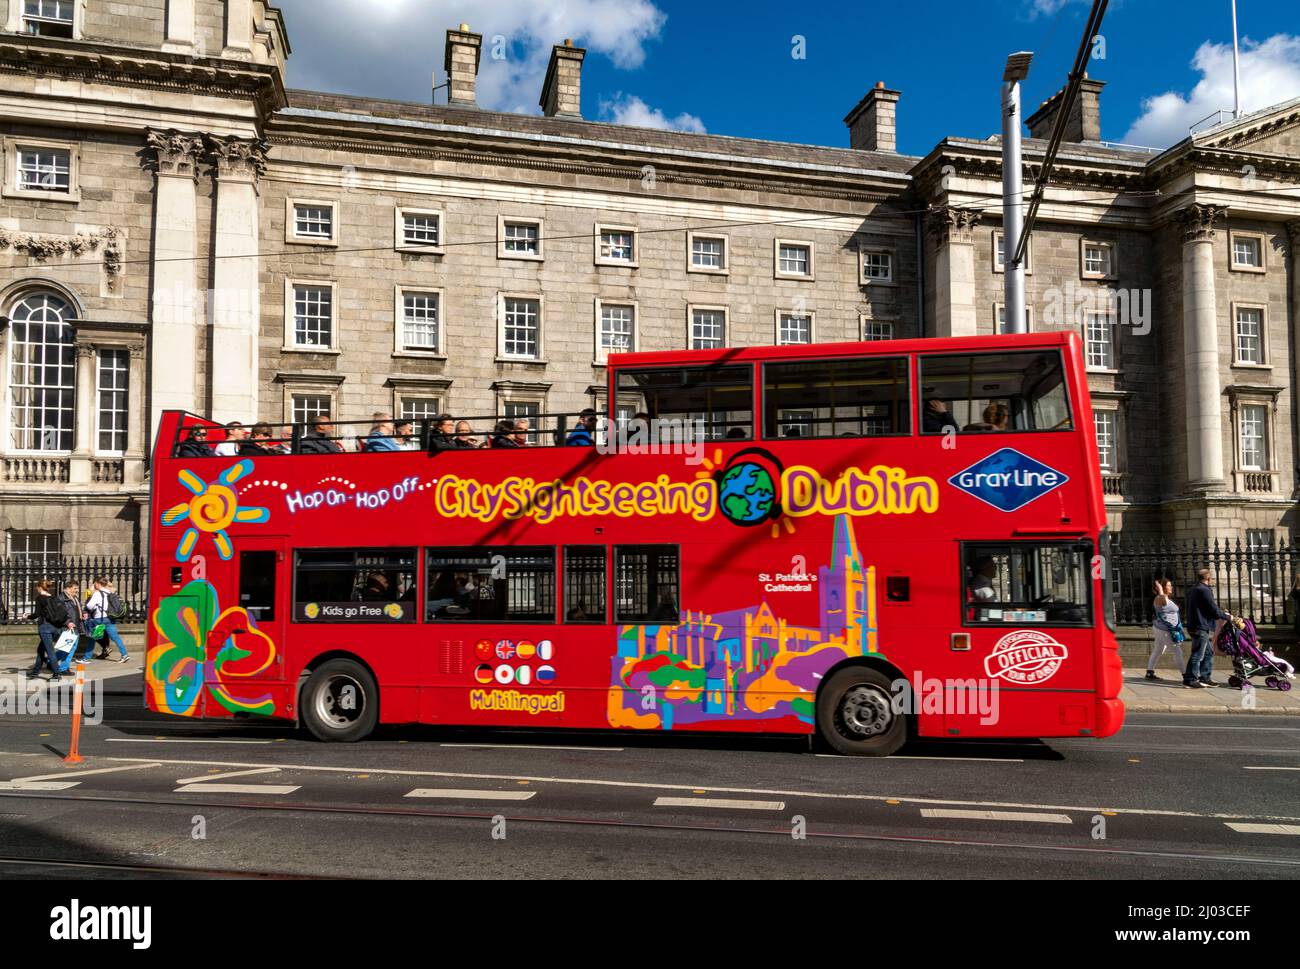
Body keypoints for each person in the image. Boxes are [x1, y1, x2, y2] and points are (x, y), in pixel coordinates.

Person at [1183, 568, 1233, 689]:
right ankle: (1190, 679)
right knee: (1197, 653)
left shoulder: (1193, 589)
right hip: (1200, 625)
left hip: (1195, 624)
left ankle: (1205, 677)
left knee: (1208, 652)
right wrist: (1226, 616)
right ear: (1209, 579)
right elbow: (1213, 609)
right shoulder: (1204, 590)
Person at [29, 579, 71, 681]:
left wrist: (27, 616)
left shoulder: (40, 598)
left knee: (50, 651)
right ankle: (35, 672)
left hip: (45, 628)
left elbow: (37, 614)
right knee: (40, 650)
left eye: (37, 588)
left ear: (39, 587)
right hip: (55, 627)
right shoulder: (53, 598)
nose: (37, 589)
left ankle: (56, 674)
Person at [1147, 578, 1185, 681]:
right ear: (1163, 588)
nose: (1171, 587)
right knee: (1177, 651)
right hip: (1165, 631)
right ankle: (1186, 675)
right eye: (1169, 585)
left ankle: (1150, 672)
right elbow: (1163, 601)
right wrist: (1160, 589)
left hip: (1162, 629)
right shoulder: (1159, 598)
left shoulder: (1165, 598)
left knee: (1158, 650)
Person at [86, 576, 129, 663]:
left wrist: (91, 593)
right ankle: (124, 655)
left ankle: (86, 658)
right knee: (116, 638)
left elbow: (89, 606)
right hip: (110, 618)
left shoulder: (97, 593)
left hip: (100, 620)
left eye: (95, 584)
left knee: (92, 637)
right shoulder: (109, 592)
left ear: (97, 584)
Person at [57, 580, 92, 670]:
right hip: (68, 627)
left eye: (77, 588)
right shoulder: (61, 599)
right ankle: (63, 668)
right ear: (68, 588)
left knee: (66, 648)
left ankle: (50, 661)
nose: (77, 590)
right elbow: (60, 613)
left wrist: (83, 612)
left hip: (76, 626)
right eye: (75, 588)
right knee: (69, 648)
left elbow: (78, 608)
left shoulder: (74, 598)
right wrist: (68, 622)